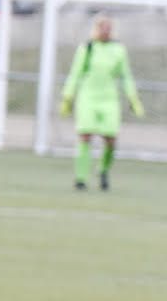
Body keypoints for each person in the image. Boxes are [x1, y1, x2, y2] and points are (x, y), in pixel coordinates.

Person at [60, 14, 145, 191]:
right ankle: (81, 178)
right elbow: (75, 73)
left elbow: (126, 76)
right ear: (96, 28)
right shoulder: (87, 48)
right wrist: (68, 96)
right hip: (88, 97)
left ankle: (103, 170)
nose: (105, 31)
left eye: (108, 28)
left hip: (109, 99)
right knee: (85, 135)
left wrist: (133, 98)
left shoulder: (118, 49)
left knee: (110, 139)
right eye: (102, 27)